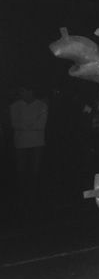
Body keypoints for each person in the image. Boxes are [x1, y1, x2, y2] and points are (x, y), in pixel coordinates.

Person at [10, 85, 48, 213]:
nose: (21, 93)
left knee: (34, 171)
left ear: (30, 91)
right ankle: (21, 198)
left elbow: (41, 125)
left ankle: (34, 199)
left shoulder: (42, 106)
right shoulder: (15, 106)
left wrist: (25, 126)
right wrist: (31, 125)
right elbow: (14, 124)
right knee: (21, 172)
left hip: (37, 143)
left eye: (23, 90)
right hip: (20, 143)